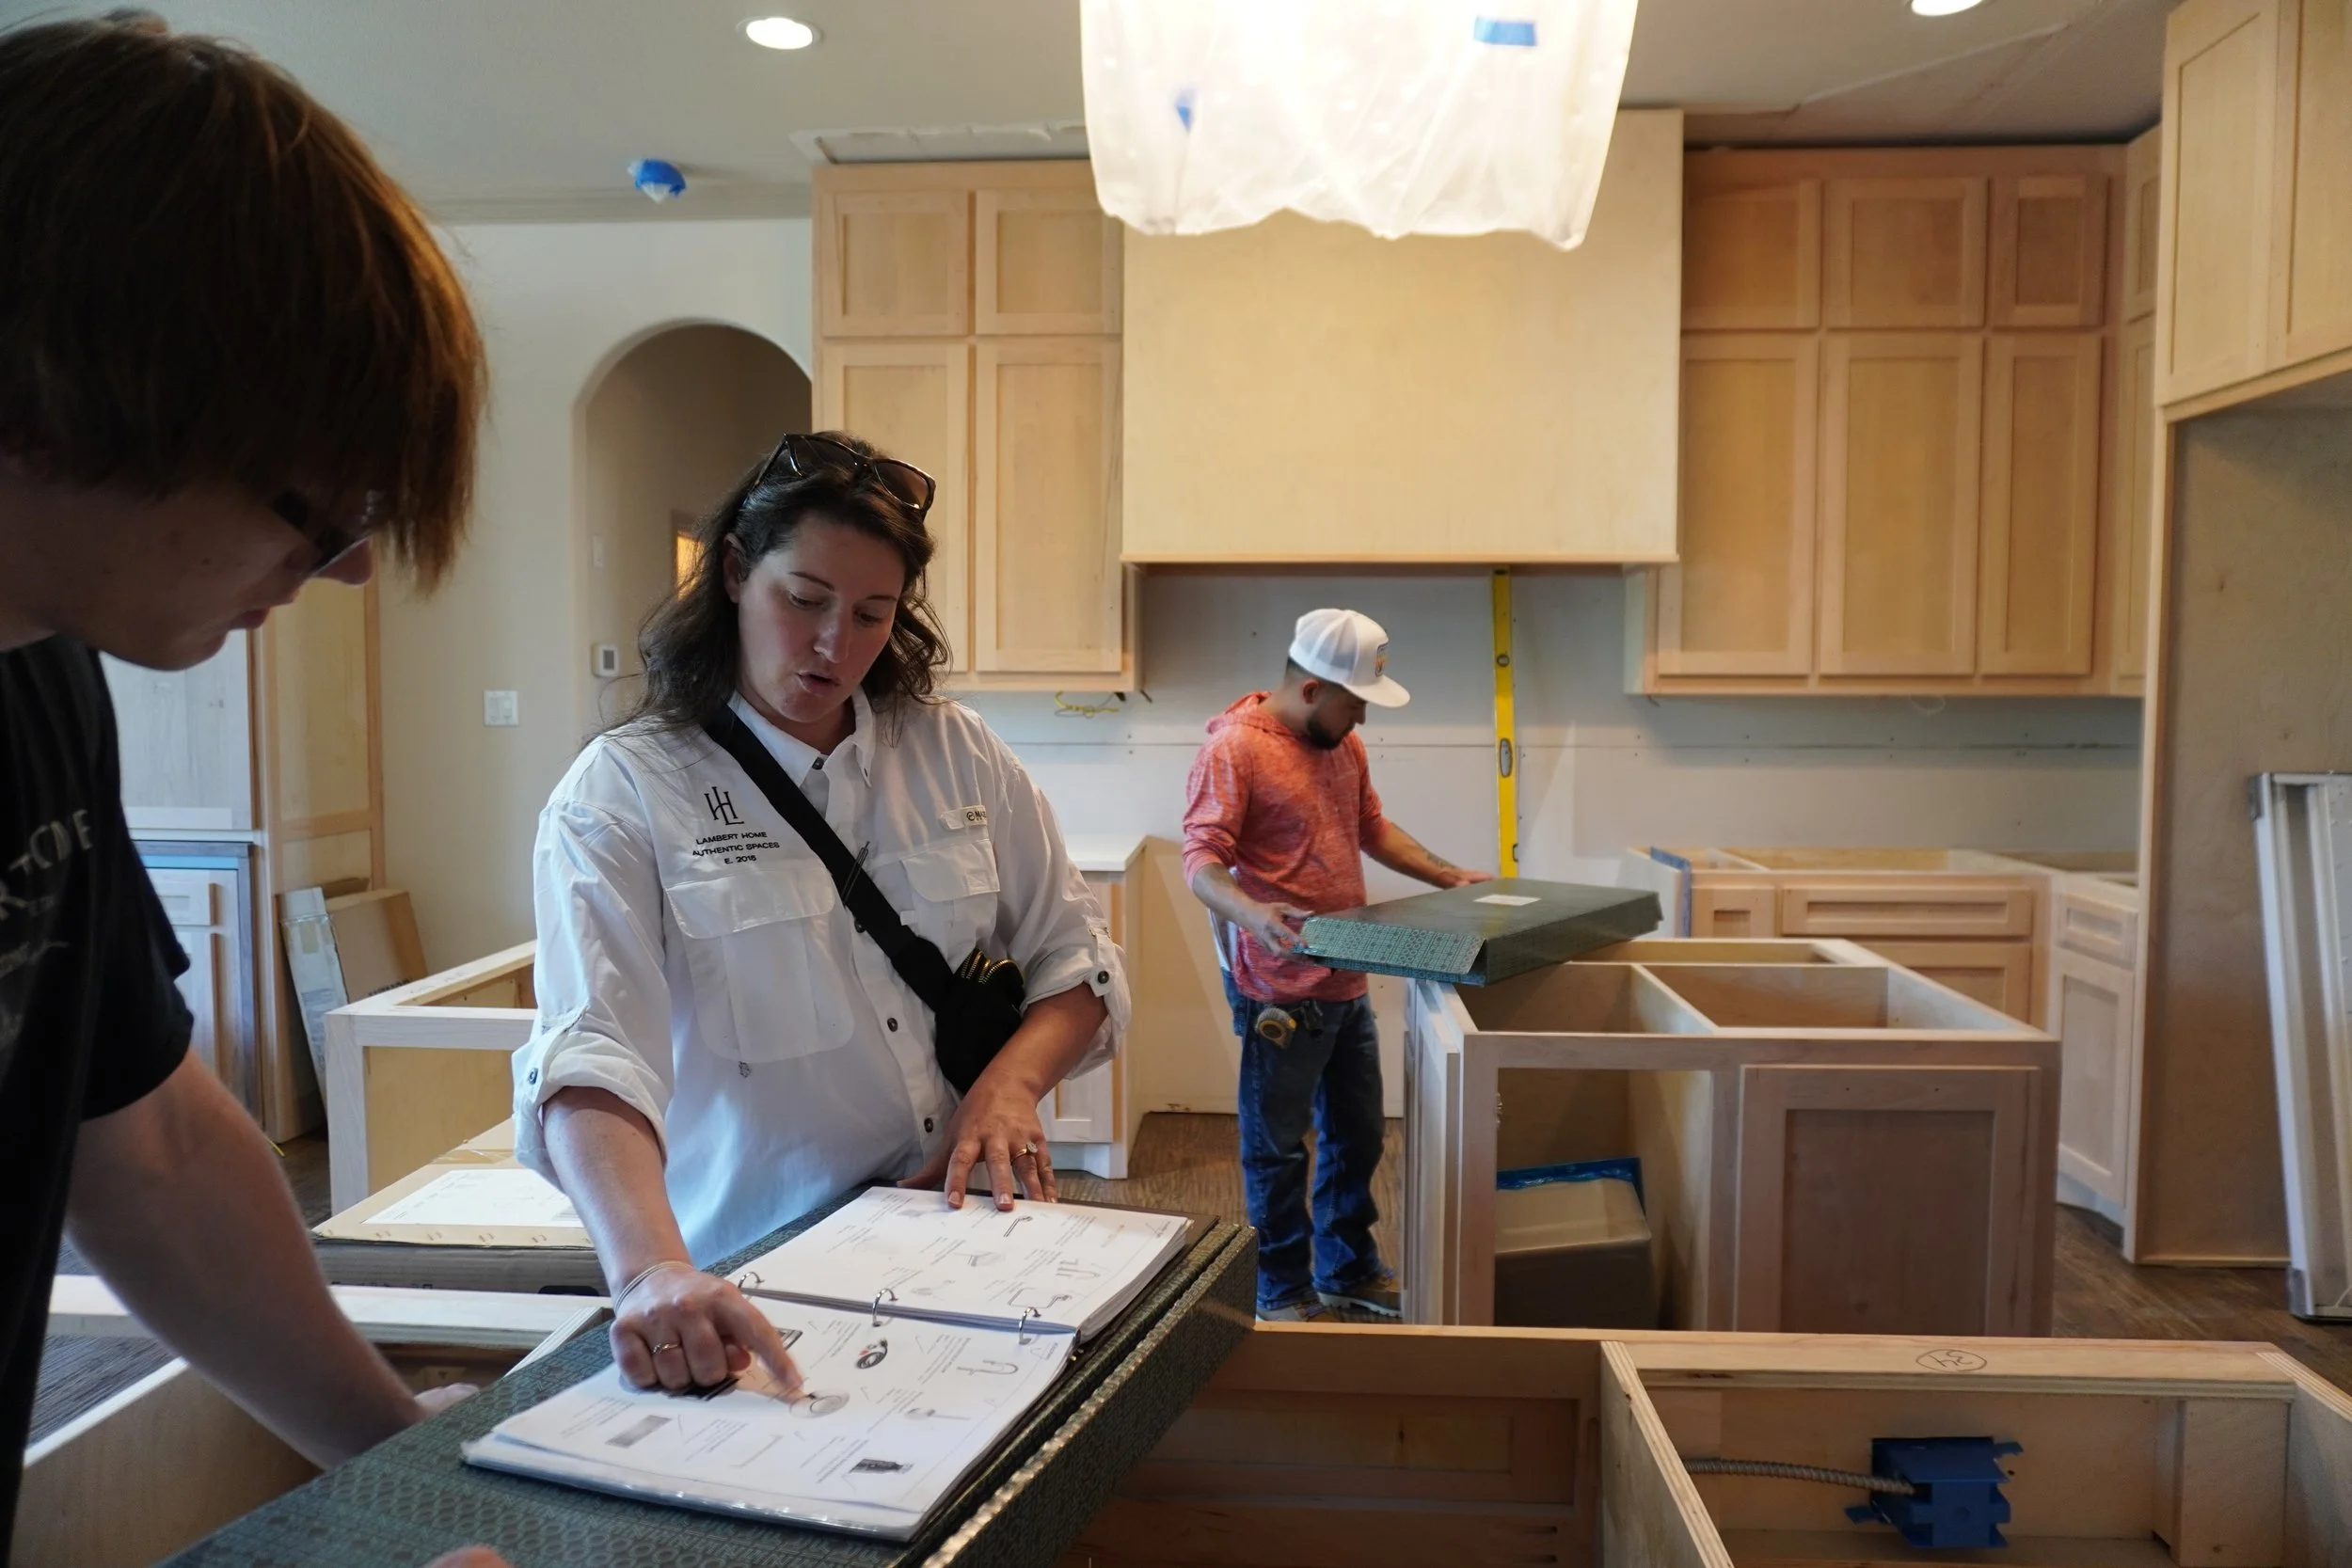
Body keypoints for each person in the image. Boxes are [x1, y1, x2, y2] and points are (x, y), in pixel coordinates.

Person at [0, 15, 507, 1565]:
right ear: (65, 393)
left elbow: (145, 1140)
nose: (345, 564)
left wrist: (395, 1462)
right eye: (317, 503)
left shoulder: (44, 678)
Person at [513, 430, 1128, 1396]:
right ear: (733, 572)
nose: (836, 644)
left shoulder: (956, 753)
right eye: (804, 600)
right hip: (756, 1283)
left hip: (965, 1245)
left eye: (873, 613)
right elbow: (591, 1057)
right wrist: (647, 1270)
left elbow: (1077, 960)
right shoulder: (622, 791)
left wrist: (1009, 1086)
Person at [1183, 609, 1492, 1323]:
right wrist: (1255, 915)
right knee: (1278, 1149)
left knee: (1359, 1136)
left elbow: (1371, 827)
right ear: (1313, 690)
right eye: (1355, 703)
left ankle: (1346, 1271)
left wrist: (1449, 876)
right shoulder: (1235, 748)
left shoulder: (1341, 745)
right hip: (1277, 990)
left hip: (1345, 974)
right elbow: (1200, 859)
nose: (1362, 719)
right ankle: (1282, 1289)